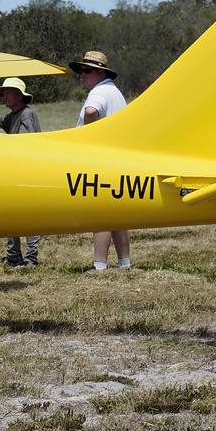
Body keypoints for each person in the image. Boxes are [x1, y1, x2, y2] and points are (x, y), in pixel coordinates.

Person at [71, 51, 130, 270]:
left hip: (100, 160)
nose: (81, 75)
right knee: (118, 215)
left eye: (86, 71)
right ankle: (125, 262)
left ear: (100, 72)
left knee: (101, 213)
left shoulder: (99, 92)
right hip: (118, 160)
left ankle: (99, 266)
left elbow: (91, 111)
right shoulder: (115, 92)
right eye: (80, 71)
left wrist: (90, 133)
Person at [0, 77, 41, 267]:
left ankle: (31, 258)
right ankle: (13, 255)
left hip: (28, 173)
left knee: (28, 215)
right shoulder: (14, 115)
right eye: (3, 93)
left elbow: (23, 142)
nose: (4, 96)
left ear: (19, 95)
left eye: (8, 92)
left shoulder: (26, 115)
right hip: (15, 173)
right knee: (11, 213)